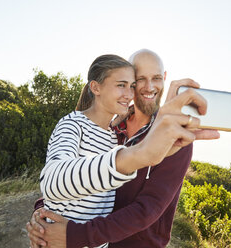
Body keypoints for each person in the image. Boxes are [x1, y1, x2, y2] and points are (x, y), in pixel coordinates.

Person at [27, 49, 220, 247]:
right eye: (139, 80)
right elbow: (75, 174)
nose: (149, 87)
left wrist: (75, 235)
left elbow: (146, 210)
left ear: (164, 78)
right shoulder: (111, 128)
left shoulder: (176, 138)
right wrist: (43, 214)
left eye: (155, 78)